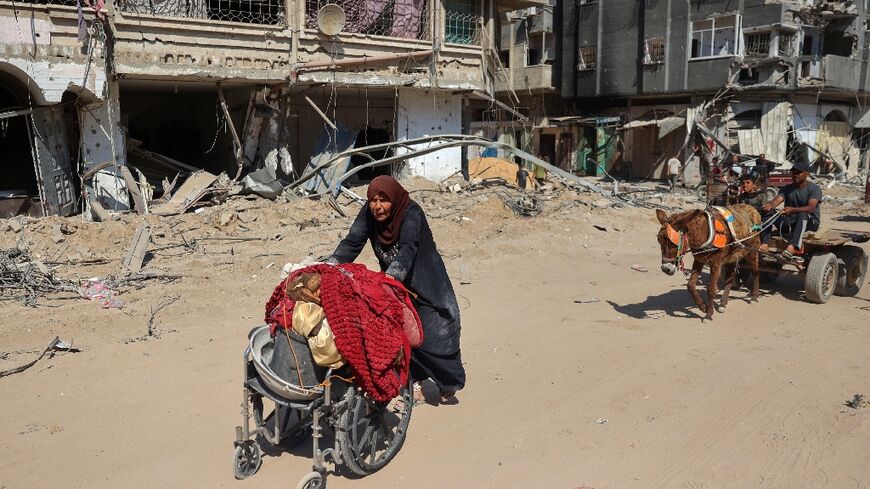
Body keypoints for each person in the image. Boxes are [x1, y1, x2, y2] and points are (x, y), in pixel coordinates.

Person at [326, 176, 465, 404]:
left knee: (436, 336)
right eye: (373, 200)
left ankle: (448, 381)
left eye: (384, 200)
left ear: (395, 199)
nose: (377, 206)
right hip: (396, 286)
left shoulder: (411, 213)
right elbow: (352, 242)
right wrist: (329, 265)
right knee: (404, 334)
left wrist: (392, 275)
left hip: (427, 282)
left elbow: (408, 248)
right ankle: (415, 382)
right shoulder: (369, 214)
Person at [760, 159, 823, 262]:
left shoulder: (814, 189)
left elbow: (811, 208)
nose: (795, 175)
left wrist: (793, 210)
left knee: (802, 213)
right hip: (790, 223)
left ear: (806, 174)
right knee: (769, 212)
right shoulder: (786, 188)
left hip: (809, 222)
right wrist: (769, 205)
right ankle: (765, 243)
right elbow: (776, 201)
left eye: (798, 172)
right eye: (793, 172)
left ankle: (792, 247)